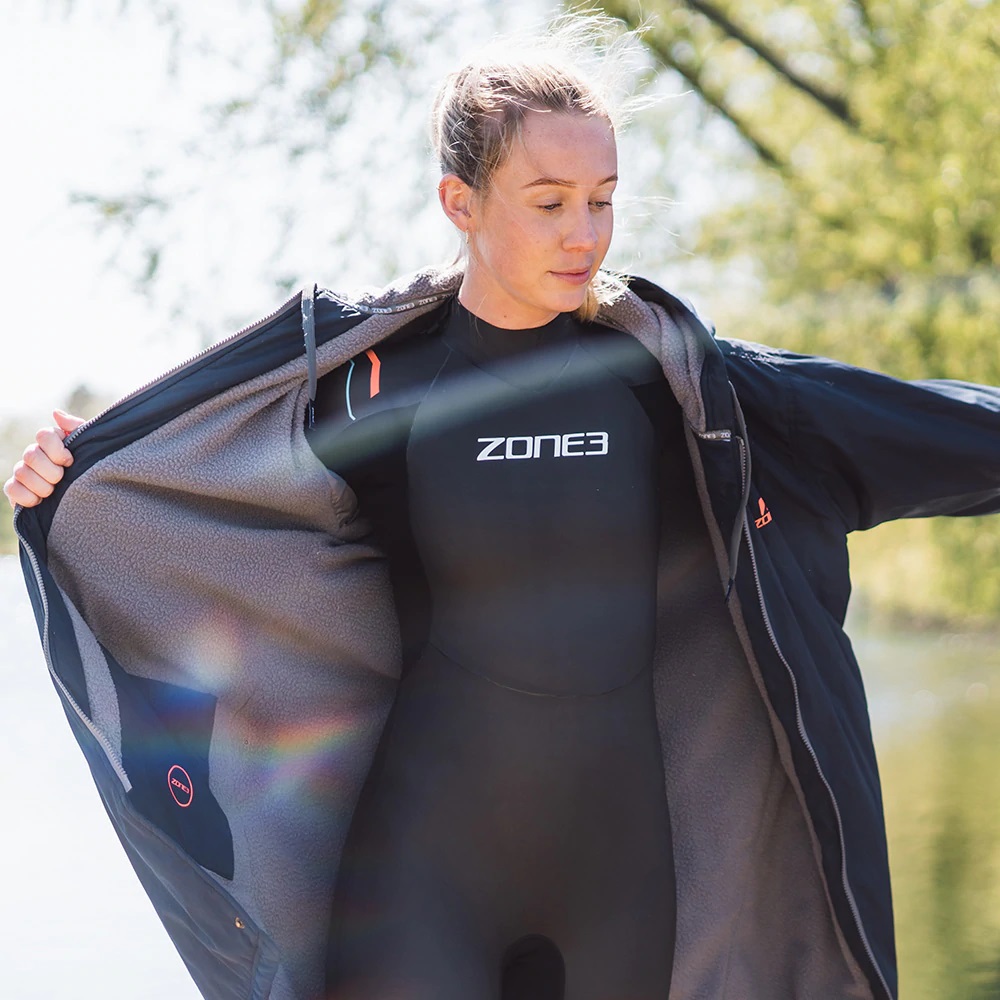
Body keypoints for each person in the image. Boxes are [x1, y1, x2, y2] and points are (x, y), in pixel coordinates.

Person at [6, 14, 1000, 1000]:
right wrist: (79, 477)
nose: (584, 234)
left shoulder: (671, 385)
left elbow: (900, 427)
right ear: (461, 201)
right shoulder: (371, 388)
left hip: (618, 880)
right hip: (421, 874)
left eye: (602, 201)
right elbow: (186, 480)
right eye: (549, 201)